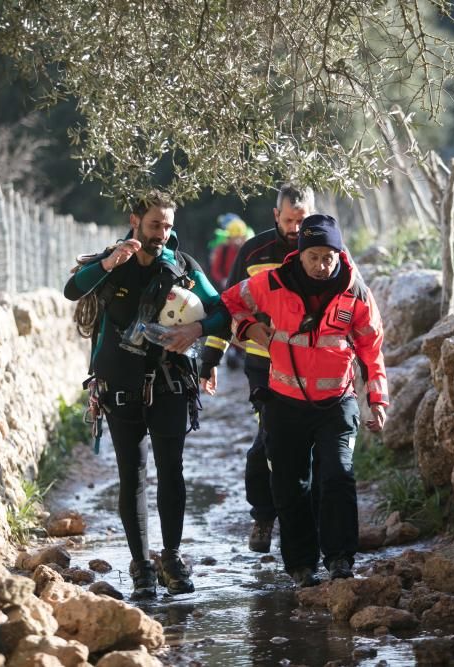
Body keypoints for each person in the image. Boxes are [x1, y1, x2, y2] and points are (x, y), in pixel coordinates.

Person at [64, 190, 229, 599]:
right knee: (131, 476)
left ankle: (171, 558)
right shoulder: (111, 264)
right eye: (155, 225)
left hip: (170, 383)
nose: (162, 233)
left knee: (172, 470)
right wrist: (107, 262)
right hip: (119, 386)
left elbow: (221, 310)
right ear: (135, 219)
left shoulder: (183, 267)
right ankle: (140, 566)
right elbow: (73, 290)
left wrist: (197, 333)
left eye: (168, 226)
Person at [220, 213, 389, 587]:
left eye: (328, 256)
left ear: (339, 253)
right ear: (300, 254)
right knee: (290, 485)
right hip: (284, 401)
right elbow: (229, 302)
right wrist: (249, 328)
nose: (321, 264)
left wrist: (376, 399)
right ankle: (300, 565)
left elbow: (370, 350)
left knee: (337, 478)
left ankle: (340, 559)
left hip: (337, 402)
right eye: (313, 256)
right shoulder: (272, 283)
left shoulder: (356, 292)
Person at [199, 184, 315, 554]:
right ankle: (265, 517)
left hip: (313, 366)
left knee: (306, 444)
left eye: (302, 220)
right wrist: (210, 359)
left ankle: (304, 522)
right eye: (289, 220)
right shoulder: (253, 251)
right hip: (262, 365)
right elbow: (228, 307)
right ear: (274, 216)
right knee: (269, 440)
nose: (296, 228)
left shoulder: (323, 249)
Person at [208, 217, 251, 290]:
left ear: (244, 237)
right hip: (228, 288)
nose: (236, 241)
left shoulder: (251, 249)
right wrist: (222, 280)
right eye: (234, 238)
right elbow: (215, 270)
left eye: (239, 237)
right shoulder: (223, 250)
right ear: (229, 238)